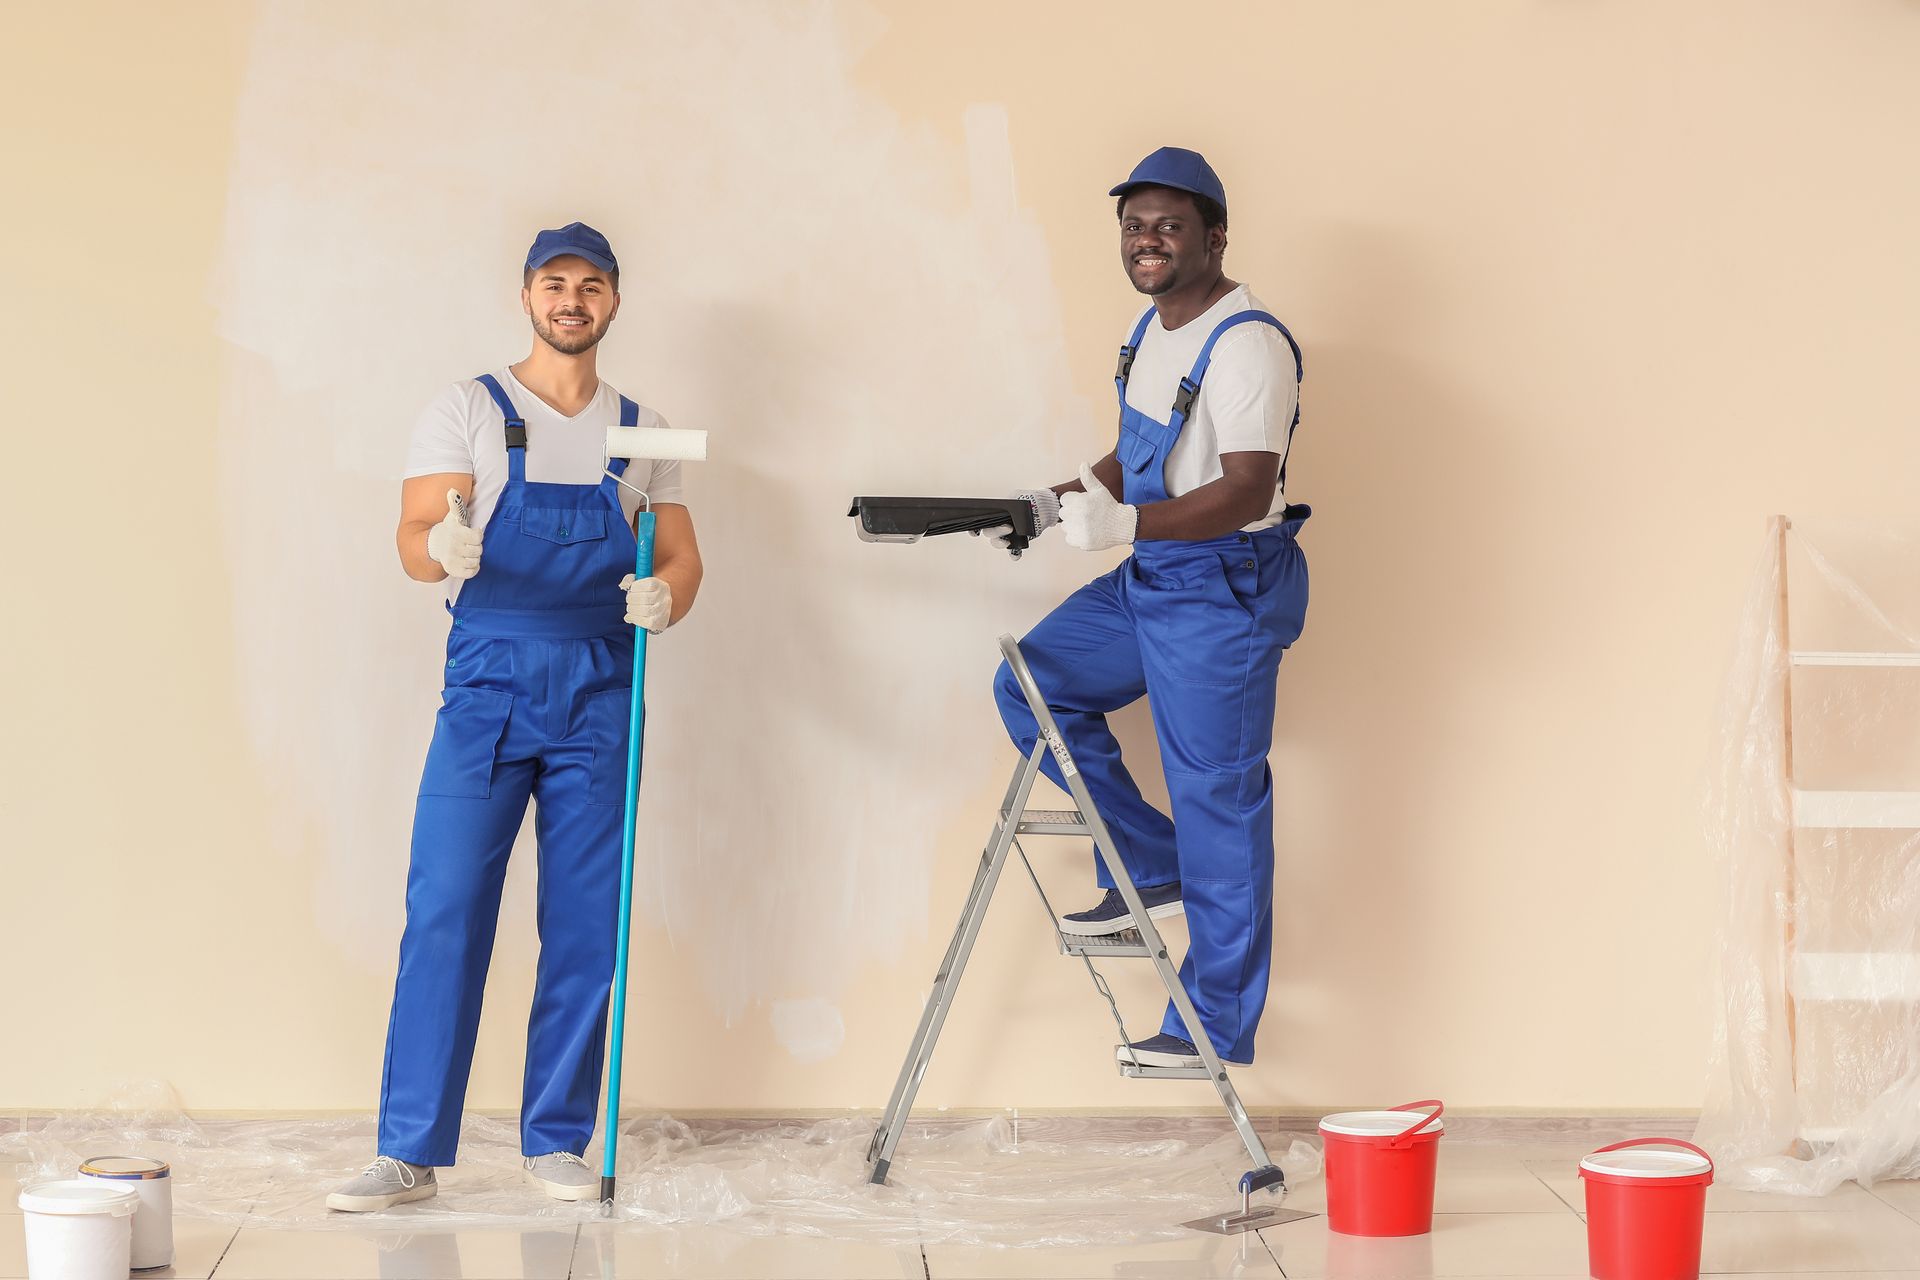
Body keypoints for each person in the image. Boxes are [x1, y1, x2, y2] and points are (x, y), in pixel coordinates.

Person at [328, 222, 703, 1211]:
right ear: (526, 295)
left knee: (585, 921)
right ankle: (407, 1148)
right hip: (489, 675)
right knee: (446, 903)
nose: (571, 299)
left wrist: (667, 593)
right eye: (553, 282)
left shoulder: (643, 422)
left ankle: (555, 1140)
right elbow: (414, 535)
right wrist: (441, 547)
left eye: (591, 284)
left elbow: (681, 555)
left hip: (602, 682)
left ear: (616, 300)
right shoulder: (468, 409)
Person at [993, 149, 1308, 1071]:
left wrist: (1127, 521)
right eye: (1135, 227)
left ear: (1214, 237)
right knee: (1033, 685)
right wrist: (1053, 501)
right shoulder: (1151, 328)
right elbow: (1139, 451)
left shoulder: (1249, 343)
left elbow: (1248, 488)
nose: (1148, 242)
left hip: (1222, 583)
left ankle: (1213, 1024)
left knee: (1220, 802)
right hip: (1156, 575)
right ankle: (1148, 861)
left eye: (1169, 226)